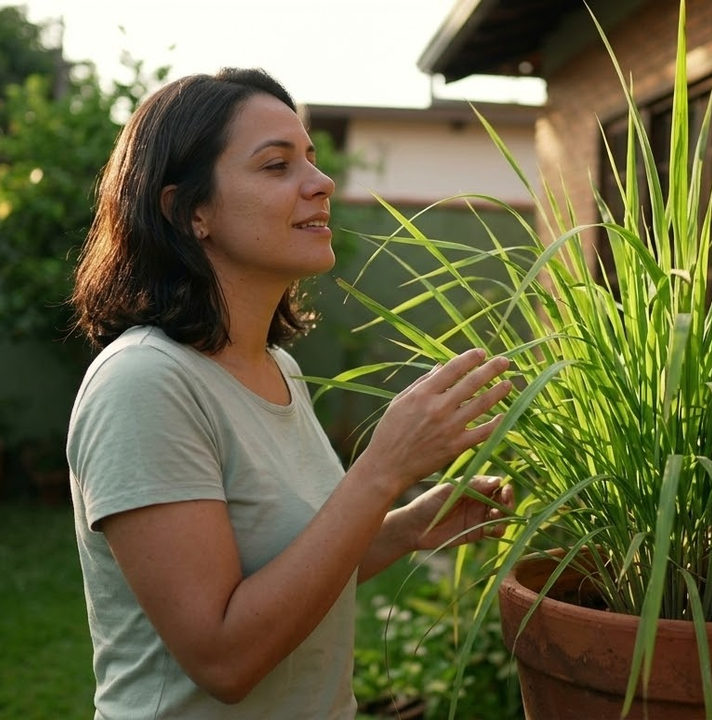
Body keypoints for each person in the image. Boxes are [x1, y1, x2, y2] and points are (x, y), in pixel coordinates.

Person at [65, 67, 514, 719]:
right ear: (189, 211)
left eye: (310, 158)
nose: (322, 181)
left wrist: (405, 529)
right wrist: (382, 470)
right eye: (276, 165)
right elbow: (225, 659)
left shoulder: (278, 368)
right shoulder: (145, 383)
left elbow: (291, 576)